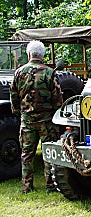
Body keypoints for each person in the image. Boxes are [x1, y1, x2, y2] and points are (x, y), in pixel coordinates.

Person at [10, 40, 63, 193]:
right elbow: (57, 99)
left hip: (27, 121)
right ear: (43, 55)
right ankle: (50, 185)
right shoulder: (50, 72)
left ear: (29, 54)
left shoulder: (19, 72)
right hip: (47, 121)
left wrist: (19, 112)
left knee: (27, 154)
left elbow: (14, 96)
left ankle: (27, 186)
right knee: (49, 153)